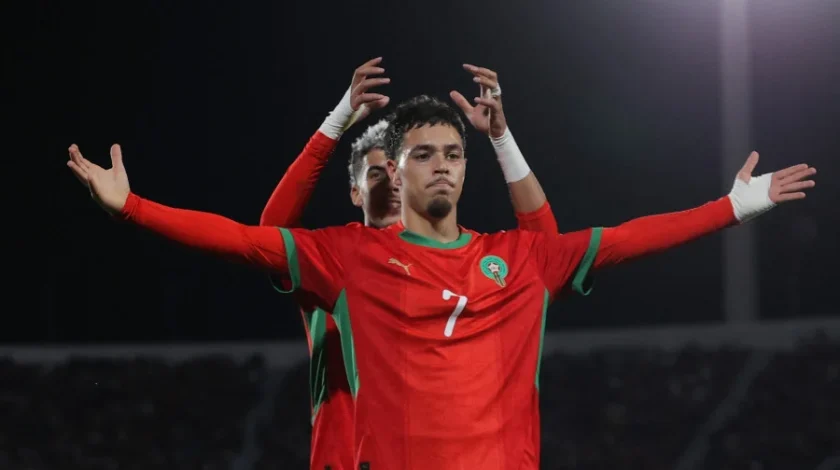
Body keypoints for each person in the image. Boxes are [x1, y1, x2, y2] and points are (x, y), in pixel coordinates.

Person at [66, 90, 815, 470]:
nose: (439, 167)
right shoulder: (343, 261)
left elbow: (623, 240)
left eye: (451, 154)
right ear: (380, 178)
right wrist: (133, 207)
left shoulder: (518, 260)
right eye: (419, 156)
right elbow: (246, 238)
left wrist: (733, 206)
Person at [258, 59, 559, 469]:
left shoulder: (454, 262)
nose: (392, 183)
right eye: (376, 175)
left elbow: (546, 254)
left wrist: (501, 138)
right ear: (355, 193)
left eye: (399, 169)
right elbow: (268, 234)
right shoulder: (331, 261)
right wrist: (335, 124)